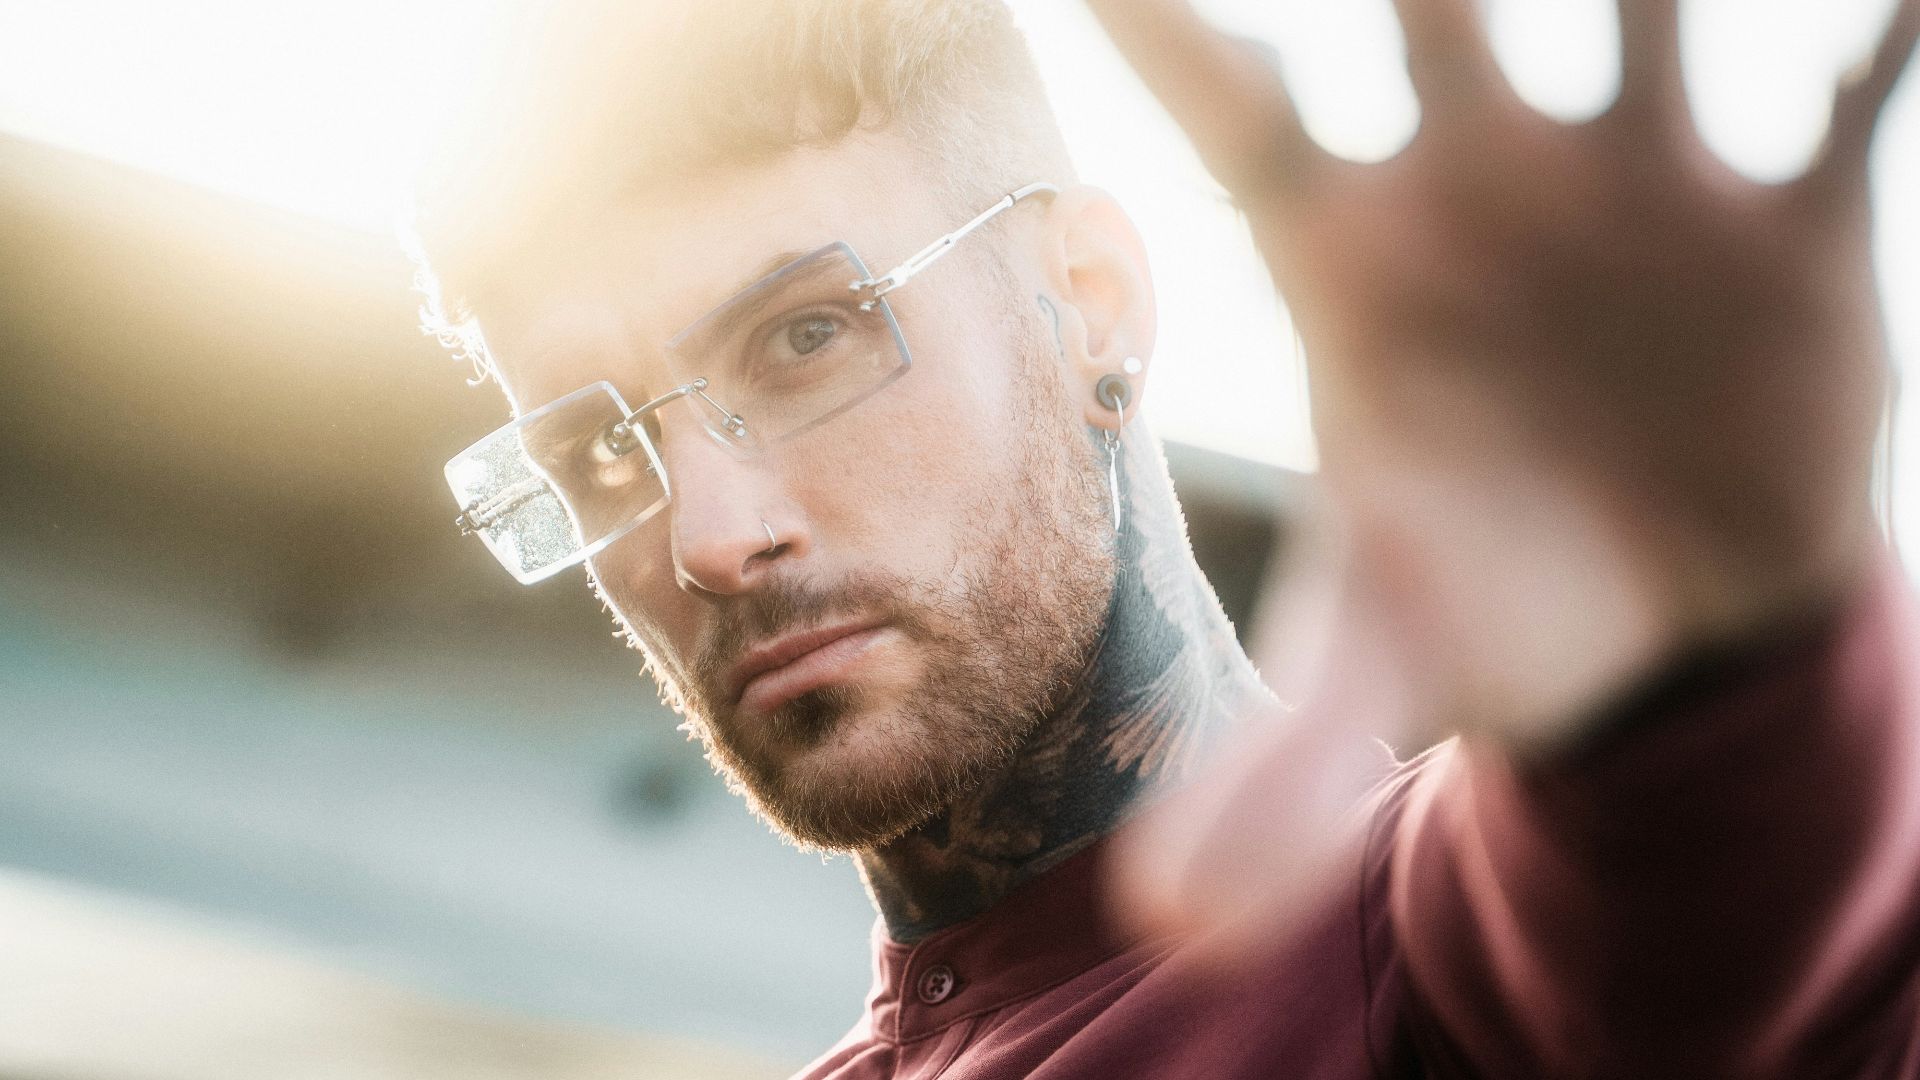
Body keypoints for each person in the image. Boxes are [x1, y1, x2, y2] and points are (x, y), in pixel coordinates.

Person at [408, 0, 1920, 1075]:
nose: (711, 537)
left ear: (1091, 302)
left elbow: (1712, 937)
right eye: (598, 446)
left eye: (808, 336)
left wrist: (1721, 663)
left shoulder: (1434, 953)